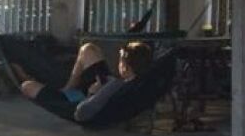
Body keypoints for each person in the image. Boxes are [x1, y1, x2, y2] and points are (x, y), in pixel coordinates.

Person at [14, 41, 153, 123]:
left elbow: (81, 113)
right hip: (102, 88)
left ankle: (24, 76)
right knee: (88, 49)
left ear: (125, 67)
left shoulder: (115, 86)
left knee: (26, 86)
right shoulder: (142, 83)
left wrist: (93, 93)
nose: (118, 62)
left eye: (120, 59)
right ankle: (68, 87)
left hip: (78, 103)